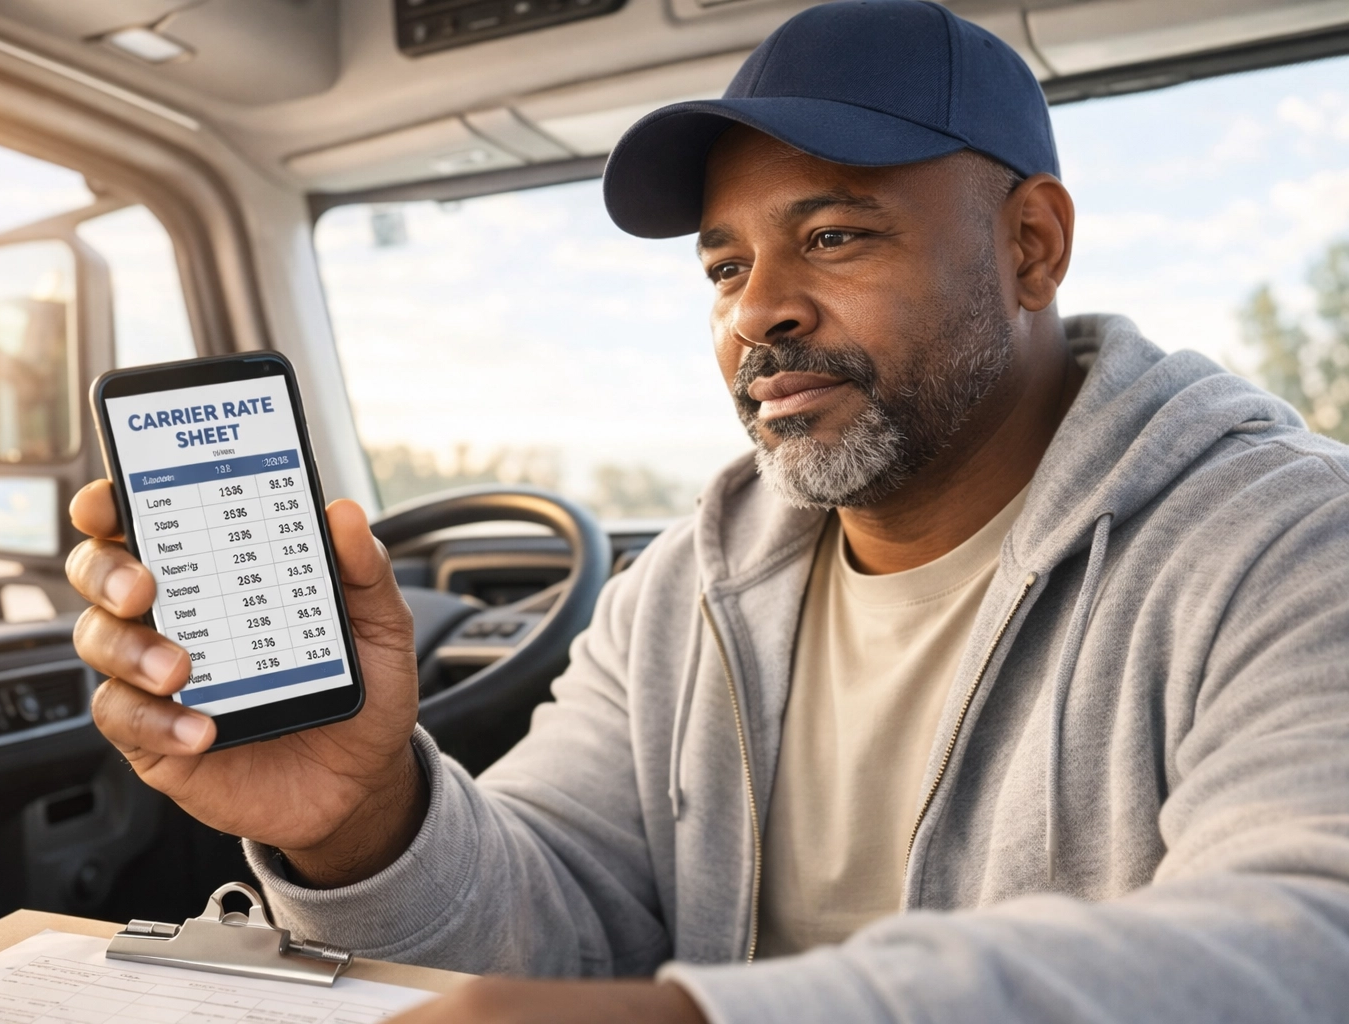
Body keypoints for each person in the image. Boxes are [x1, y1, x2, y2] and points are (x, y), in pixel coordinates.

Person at [66, 2, 1349, 1021]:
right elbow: (553, 915)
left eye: (835, 236)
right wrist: (357, 819)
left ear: (1031, 245)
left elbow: (1309, 939)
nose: (757, 311)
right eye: (726, 266)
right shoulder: (685, 587)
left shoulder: (1286, 542)